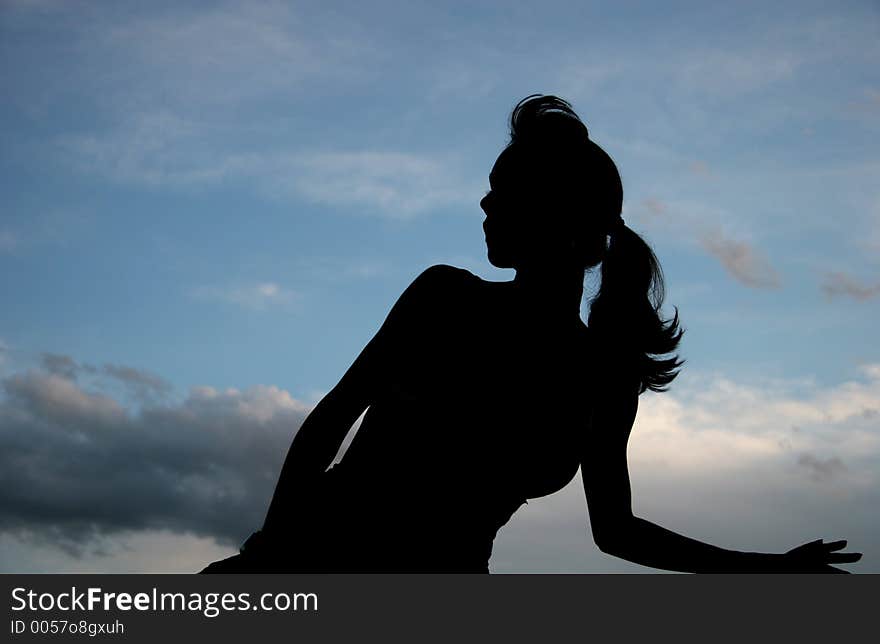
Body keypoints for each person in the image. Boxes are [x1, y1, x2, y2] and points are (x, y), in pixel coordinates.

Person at [201, 95, 861, 573]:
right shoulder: (444, 296)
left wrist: (765, 568)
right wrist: (272, 558)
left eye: (504, 189)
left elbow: (617, 531)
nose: (485, 204)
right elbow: (329, 423)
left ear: (556, 208)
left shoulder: (601, 373)